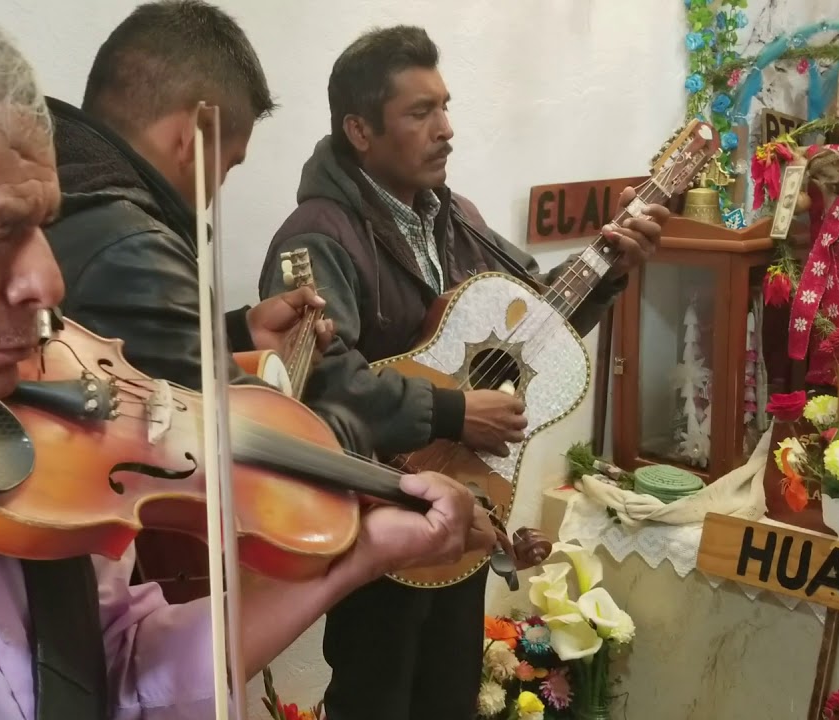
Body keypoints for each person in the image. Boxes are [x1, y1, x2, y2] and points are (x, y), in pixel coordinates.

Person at [0, 6, 498, 720]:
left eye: (44, 225)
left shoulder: (11, 401)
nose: (49, 281)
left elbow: (116, 666)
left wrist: (363, 552)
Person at [261, 26, 668, 720]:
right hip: (372, 529)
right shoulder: (316, 237)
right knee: (375, 703)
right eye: (420, 113)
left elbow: (538, 324)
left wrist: (606, 277)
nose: (446, 129)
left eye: (445, 107)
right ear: (360, 129)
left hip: (460, 517)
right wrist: (452, 414)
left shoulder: (460, 221)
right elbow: (319, 384)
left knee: (449, 700)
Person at [41, 0, 384, 599]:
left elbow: (124, 357)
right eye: (227, 163)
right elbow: (252, 446)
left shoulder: (65, 187)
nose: (216, 189)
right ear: (193, 135)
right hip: (83, 593)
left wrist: (237, 333)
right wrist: (348, 432)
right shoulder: (132, 248)